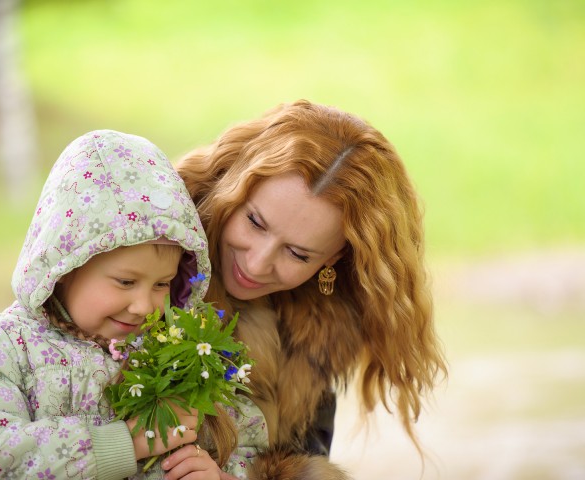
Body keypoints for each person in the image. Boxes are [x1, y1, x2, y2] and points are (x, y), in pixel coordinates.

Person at [0, 130, 265, 479]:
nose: (144, 305)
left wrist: (222, 475)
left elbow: (249, 443)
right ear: (65, 267)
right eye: (125, 282)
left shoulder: (180, 356)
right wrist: (127, 443)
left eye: (161, 284)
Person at [177, 99, 448, 478]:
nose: (256, 263)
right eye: (255, 221)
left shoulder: (323, 330)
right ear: (233, 186)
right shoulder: (150, 250)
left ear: (332, 261)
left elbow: (301, 457)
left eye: (297, 254)